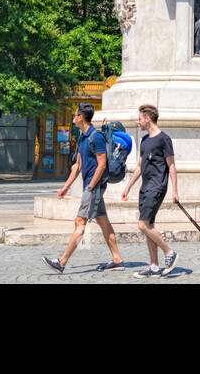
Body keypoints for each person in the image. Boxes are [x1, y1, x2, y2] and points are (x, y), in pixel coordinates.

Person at [44, 103, 125, 273]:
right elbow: (77, 166)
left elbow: (102, 164)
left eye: (75, 115)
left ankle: (62, 261)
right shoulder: (82, 137)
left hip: (94, 187)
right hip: (91, 187)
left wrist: (91, 186)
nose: (73, 118)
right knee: (103, 221)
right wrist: (65, 187)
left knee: (80, 221)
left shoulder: (96, 137)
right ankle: (117, 259)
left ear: (81, 117)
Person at [120, 104, 179, 279]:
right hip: (145, 187)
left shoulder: (164, 139)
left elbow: (172, 165)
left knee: (142, 224)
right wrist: (128, 186)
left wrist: (175, 191)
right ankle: (154, 266)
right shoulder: (144, 140)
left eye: (139, 118)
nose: (137, 122)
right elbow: (139, 166)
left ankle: (169, 253)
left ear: (147, 118)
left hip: (157, 186)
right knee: (149, 226)